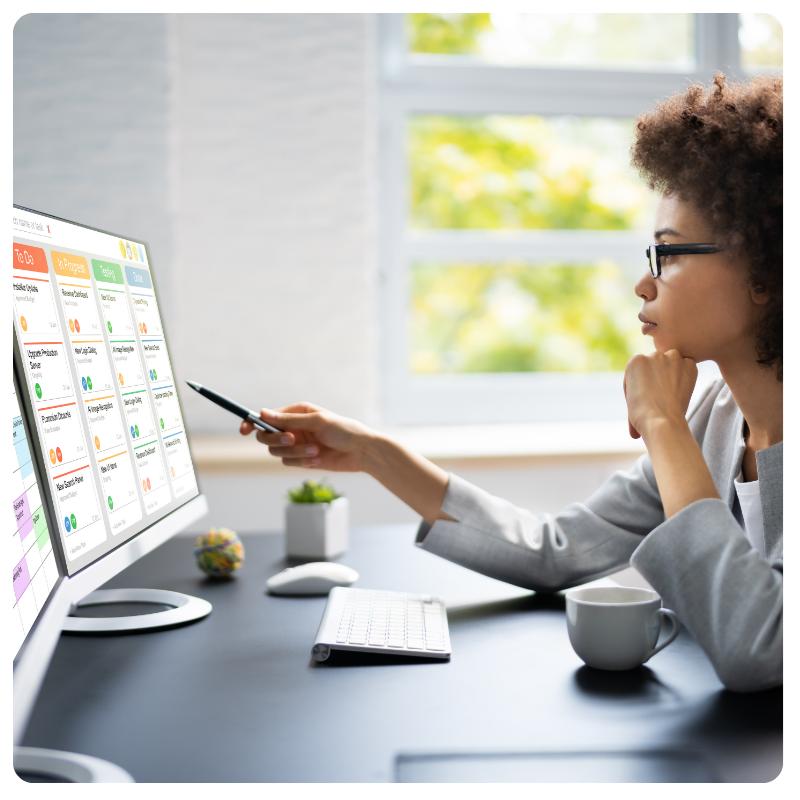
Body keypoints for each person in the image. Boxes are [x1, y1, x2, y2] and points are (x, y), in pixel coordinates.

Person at [242, 74, 783, 693]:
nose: (643, 284)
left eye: (671, 254)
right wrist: (371, 452)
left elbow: (757, 646)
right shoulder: (713, 418)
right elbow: (557, 551)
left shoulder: (679, 425)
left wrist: (660, 426)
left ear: (766, 270)